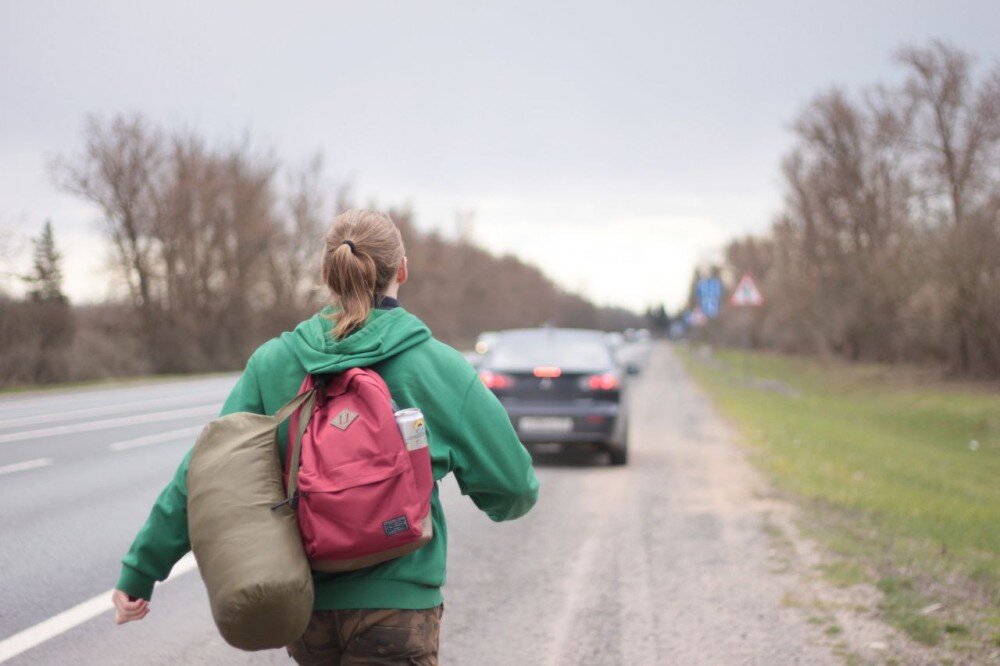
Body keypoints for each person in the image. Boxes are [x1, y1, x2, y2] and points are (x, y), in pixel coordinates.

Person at [112, 209, 541, 665]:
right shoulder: (437, 365)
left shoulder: (274, 362)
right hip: (398, 608)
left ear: (326, 272)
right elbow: (513, 489)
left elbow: (204, 474)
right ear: (402, 269)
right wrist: (493, 500)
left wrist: (141, 571)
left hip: (308, 609)